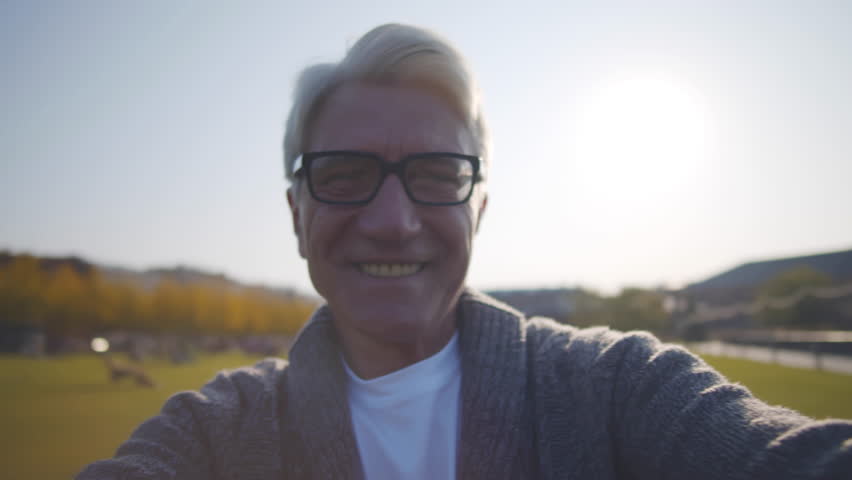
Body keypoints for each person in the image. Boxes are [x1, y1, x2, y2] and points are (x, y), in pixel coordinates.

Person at [78, 23, 852, 480]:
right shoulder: (218, 433)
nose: (390, 219)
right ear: (296, 212)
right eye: (344, 174)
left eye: (437, 175)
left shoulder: (617, 388)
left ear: (478, 207)